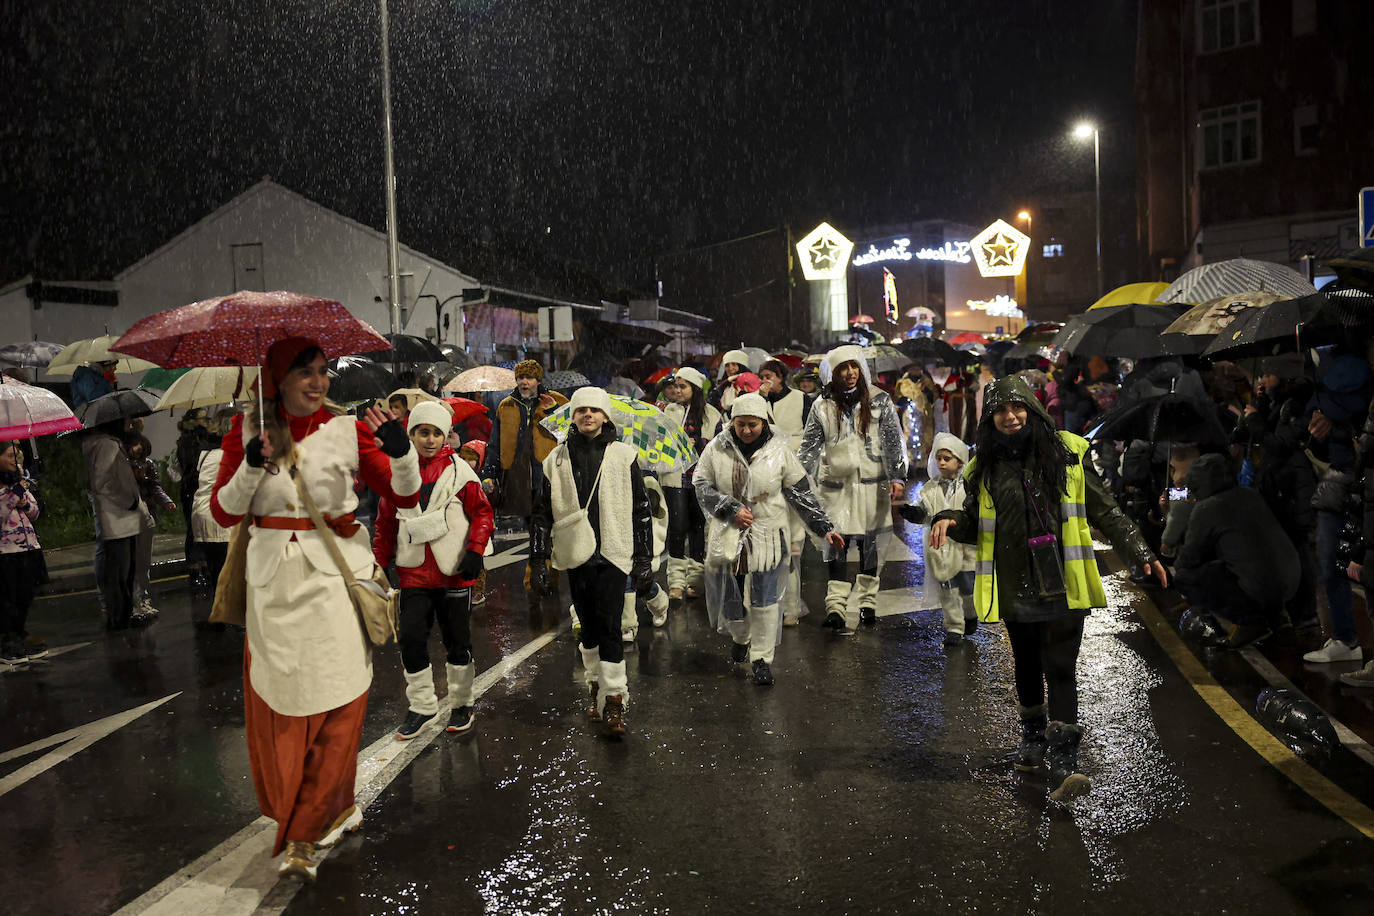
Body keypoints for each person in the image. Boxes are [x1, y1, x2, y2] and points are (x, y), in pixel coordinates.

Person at [210, 337, 421, 881]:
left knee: (341, 700)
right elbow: (225, 512)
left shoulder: (346, 429)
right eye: (304, 372)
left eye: (323, 371)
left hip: (336, 581)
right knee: (285, 707)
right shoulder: (247, 432)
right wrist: (253, 464)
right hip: (273, 587)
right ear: (278, 378)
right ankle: (323, 806)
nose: (318, 382)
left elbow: (403, 495)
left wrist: (401, 454)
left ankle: (302, 833)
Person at [929, 375, 1167, 803]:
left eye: (1017, 408)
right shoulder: (981, 466)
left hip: (1062, 580)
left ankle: (1064, 760)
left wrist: (1138, 548)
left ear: (1034, 409)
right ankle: (1033, 735)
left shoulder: (1069, 453)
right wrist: (947, 517)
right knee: (1024, 662)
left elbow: (1103, 507)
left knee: (1059, 665)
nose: (1010, 417)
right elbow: (972, 520)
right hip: (1014, 580)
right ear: (990, 418)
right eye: (1000, 410)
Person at [529, 387, 653, 737]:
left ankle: (615, 698)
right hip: (575, 553)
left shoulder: (624, 456)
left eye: (594, 410)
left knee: (611, 624)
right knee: (587, 625)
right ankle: (595, 684)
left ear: (605, 416)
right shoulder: (555, 459)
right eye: (581, 410)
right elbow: (541, 514)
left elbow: (641, 510)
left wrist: (644, 558)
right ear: (573, 416)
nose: (587, 415)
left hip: (613, 553)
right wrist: (539, 559)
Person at [694, 394, 843, 685]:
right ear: (732, 422)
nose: (747, 431)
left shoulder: (780, 451)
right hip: (729, 533)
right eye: (741, 425)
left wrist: (824, 527)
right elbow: (701, 484)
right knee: (730, 596)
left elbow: (800, 493)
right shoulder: (717, 448)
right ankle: (740, 635)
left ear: (764, 422)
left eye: (753, 424)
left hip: (769, 534)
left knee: (765, 598)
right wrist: (729, 509)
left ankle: (762, 658)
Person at [373, 400, 494, 739]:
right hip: (413, 574)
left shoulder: (461, 473)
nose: (429, 440)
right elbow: (385, 523)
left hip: (453, 570)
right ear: (410, 435)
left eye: (435, 433)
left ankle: (461, 703)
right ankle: (422, 706)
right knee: (411, 639)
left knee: (458, 641)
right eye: (422, 432)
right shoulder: (397, 476)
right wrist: (379, 562)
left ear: (446, 436)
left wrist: (474, 550)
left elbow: (483, 513)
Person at [798, 345, 908, 632]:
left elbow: (893, 440)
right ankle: (835, 607)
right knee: (836, 546)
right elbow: (808, 448)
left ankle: (868, 604)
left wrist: (897, 476)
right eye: (843, 368)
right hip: (836, 488)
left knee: (870, 546)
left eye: (854, 367)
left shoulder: (880, 400)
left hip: (873, 486)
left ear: (861, 369)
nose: (850, 373)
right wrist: (796, 481)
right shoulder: (822, 406)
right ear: (833, 373)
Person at [1172, 453, 1300, 647]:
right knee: (1241, 565)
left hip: (1260, 586)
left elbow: (1189, 559)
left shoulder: (1207, 508)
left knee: (1185, 577)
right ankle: (1277, 617)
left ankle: (1250, 622)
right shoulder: (1250, 494)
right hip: (1291, 581)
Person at [1301, 353, 1372, 664]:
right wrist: (1322, 431)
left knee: (1366, 570)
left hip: (1364, 486)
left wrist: (1337, 426)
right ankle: (1345, 638)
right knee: (1331, 562)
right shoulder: (1332, 365)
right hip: (1342, 483)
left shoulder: (1355, 374)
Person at [479, 359, 568, 593]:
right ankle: (541, 573)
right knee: (534, 527)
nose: (524, 382)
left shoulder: (557, 401)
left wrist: (552, 411)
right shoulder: (506, 405)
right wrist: (489, 473)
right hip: (519, 475)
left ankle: (541, 574)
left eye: (529, 377)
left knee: (548, 526)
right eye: (520, 377)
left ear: (538, 380)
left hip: (549, 474)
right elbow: (495, 443)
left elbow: (569, 432)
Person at [900, 432, 977, 646]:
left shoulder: (969, 488)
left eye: (947, 458)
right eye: (939, 458)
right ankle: (954, 627)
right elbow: (924, 510)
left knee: (967, 587)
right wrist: (913, 513)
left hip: (965, 548)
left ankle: (970, 613)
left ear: (960, 461)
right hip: (939, 547)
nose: (941, 462)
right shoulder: (930, 488)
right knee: (947, 587)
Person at [658, 367, 721, 605]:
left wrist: (700, 442)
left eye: (683, 386)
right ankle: (675, 582)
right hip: (674, 477)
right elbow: (658, 440)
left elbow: (719, 444)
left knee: (697, 527)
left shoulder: (712, 414)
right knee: (677, 526)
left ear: (694, 389)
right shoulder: (667, 412)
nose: (677, 390)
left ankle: (695, 579)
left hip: (701, 479)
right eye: (675, 385)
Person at [83, 417, 151, 630]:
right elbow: (102, 481)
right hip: (118, 519)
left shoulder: (110, 444)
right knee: (120, 572)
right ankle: (119, 618)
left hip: (123, 518)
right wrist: (128, 500)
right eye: (127, 422)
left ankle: (123, 614)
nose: (129, 426)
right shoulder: (106, 445)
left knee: (124, 571)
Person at [191, 408, 240, 609]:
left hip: (201, 514)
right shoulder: (230, 453)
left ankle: (219, 611)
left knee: (215, 567)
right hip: (219, 516)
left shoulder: (206, 452)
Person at [0, 441, 43, 666]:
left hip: (28, 547)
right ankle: (7, 640)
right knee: (8, 599)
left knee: (25, 596)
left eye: (18, 455)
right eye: (9, 455)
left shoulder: (19, 483)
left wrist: (25, 502)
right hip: (6, 551)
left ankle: (19, 633)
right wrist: (15, 493)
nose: (15, 459)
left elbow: (35, 512)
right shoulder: (7, 486)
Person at [124, 428, 175, 619]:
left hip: (146, 515)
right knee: (133, 561)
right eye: (136, 445)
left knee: (143, 561)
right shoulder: (122, 466)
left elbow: (155, 487)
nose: (138, 449)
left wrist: (166, 501)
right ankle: (134, 602)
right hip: (129, 515)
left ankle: (142, 599)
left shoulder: (148, 465)